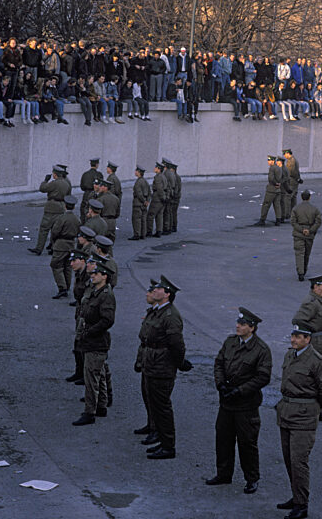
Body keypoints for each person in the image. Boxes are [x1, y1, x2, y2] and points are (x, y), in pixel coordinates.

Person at [206, 307, 272, 494]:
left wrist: (240, 391)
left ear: (251, 328)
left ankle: (252, 478)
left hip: (246, 405)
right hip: (226, 403)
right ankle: (223, 474)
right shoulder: (230, 342)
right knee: (223, 440)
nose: (238, 326)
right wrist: (221, 384)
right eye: (238, 323)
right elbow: (219, 363)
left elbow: (263, 377)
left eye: (242, 324)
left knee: (247, 443)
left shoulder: (261, 350)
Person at [276, 322, 322, 519]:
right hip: (286, 413)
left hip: (304, 416)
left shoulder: (317, 361)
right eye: (292, 335)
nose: (293, 339)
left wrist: (313, 407)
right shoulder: (290, 355)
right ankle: (296, 496)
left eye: (298, 337)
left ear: (307, 339)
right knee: (288, 460)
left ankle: (302, 505)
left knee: (299, 461)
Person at [139, 275, 192, 459]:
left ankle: (168, 446)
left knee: (162, 407)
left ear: (167, 294)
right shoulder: (158, 311)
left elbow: (177, 345)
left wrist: (179, 363)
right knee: (155, 405)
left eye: (159, 289)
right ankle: (162, 440)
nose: (154, 290)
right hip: (153, 364)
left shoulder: (170, 316)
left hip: (162, 367)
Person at [72, 259, 116, 426]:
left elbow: (107, 320)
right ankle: (101, 405)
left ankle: (90, 411)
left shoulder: (106, 295)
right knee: (99, 374)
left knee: (91, 377)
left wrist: (89, 331)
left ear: (104, 276)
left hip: (96, 340)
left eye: (96, 273)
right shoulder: (96, 291)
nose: (93, 276)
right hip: (91, 338)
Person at [292, 274, 322, 422]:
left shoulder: (319, 300)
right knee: (316, 378)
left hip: (320, 344)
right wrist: (307, 338)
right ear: (316, 287)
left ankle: (317, 410)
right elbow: (298, 321)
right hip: (314, 345)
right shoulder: (311, 302)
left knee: (318, 378)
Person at [134, 279, 160, 444]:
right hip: (147, 360)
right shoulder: (152, 312)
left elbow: (175, 344)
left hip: (158, 364)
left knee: (157, 399)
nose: (147, 294)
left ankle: (158, 430)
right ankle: (151, 424)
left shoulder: (167, 316)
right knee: (147, 394)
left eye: (151, 292)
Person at [28, 166, 70, 255]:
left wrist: (45, 180)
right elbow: (68, 195)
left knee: (44, 228)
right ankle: (54, 248)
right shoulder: (67, 183)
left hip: (51, 207)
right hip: (61, 206)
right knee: (56, 230)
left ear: (55, 174)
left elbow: (42, 188)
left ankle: (39, 248)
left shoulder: (54, 183)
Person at [65, 249, 90, 383]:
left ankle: (85, 374)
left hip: (85, 312)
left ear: (83, 261)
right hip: (80, 310)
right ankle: (79, 371)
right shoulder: (79, 273)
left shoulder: (89, 276)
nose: (71, 264)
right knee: (78, 342)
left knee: (83, 342)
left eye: (74, 261)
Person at [50, 195, 81, 299]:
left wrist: (53, 241)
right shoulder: (77, 219)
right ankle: (67, 287)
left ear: (65, 206)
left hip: (60, 244)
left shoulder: (62, 218)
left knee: (56, 265)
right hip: (71, 244)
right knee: (68, 266)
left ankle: (62, 288)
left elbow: (55, 232)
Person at [291, 190, 322, 281]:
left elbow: (293, 222)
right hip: (309, 234)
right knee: (306, 254)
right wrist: (310, 230)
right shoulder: (314, 209)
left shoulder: (296, 208)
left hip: (298, 234)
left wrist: (302, 230)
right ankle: (304, 270)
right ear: (309, 197)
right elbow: (318, 222)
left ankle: (300, 273)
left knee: (299, 253)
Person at [256, 155, 282, 227]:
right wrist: (279, 184)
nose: (268, 162)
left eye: (269, 160)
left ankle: (262, 220)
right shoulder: (279, 168)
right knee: (277, 205)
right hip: (278, 190)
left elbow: (271, 178)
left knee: (266, 204)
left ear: (273, 161)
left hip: (271, 190)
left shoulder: (272, 168)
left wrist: (275, 183)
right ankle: (278, 220)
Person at [129, 165, 151, 241]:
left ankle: (137, 234)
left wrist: (143, 201)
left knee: (136, 219)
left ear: (138, 172)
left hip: (138, 203)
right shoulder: (145, 181)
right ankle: (143, 234)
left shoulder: (138, 182)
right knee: (143, 219)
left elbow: (139, 193)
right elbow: (149, 192)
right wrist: (147, 201)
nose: (135, 172)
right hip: (144, 203)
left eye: (136, 171)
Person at [147, 162, 168, 238]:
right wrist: (164, 198)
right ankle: (159, 231)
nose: (154, 168)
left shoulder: (158, 177)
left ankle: (149, 231)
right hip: (162, 197)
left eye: (156, 167)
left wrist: (162, 197)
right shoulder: (163, 176)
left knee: (150, 214)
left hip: (157, 198)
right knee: (159, 215)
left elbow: (159, 189)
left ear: (159, 169)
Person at [79, 158, 103, 223]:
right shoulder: (99, 175)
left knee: (84, 212)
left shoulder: (85, 174)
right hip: (95, 194)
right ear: (97, 165)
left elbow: (82, 187)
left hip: (86, 194)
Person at [97, 179, 120, 244]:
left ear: (105, 187)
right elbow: (117, 213)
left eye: (101, 186)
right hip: (112, 222)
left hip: (103, 221)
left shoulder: (101, 199)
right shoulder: (116, 199)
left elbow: (98, 212)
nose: (100, 187)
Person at [283, 149, 303, 218]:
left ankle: (287, 214)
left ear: (288, 153)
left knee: (288, 197)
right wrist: (299, 179)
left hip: (291, 181)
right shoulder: (294, 159)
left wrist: (297, 178)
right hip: (295, 181)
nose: (284, 156)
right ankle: (293, 213)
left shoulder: (291, 161)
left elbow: (292, 172)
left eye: (284, 154)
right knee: (293, 197)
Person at [162, 158, 176, 235]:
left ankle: (166, 228)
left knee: (166, 212)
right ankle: (169, 227)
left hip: (168, 194)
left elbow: (166, 185)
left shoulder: (166, 173)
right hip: (171, 194)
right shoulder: (171, 173)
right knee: (169, 212)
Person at [171, 162, 182, 232]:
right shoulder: (175, 176)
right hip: (176, 197)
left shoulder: (176, 177)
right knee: (173, 213)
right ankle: (173, 226)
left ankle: (174, 226)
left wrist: (174, 196)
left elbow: (177, 188)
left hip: (175, 198)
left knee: (173, 213)